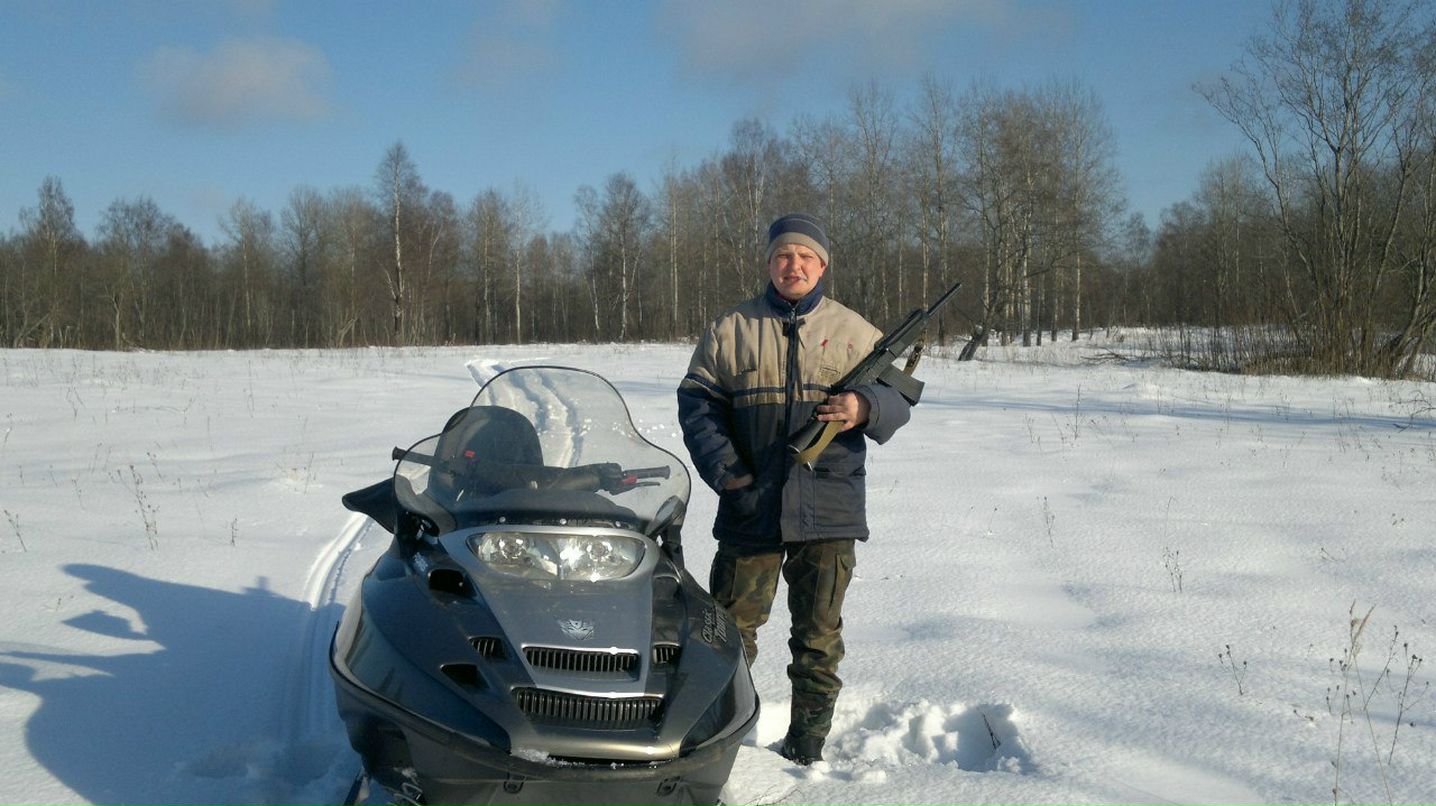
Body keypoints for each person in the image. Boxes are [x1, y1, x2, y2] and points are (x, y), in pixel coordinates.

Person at [676, 212, 911, 766]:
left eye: (806, 257)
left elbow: (901, 399)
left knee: (818, 639)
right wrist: (731, 477)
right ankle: (719, 746)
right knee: (726, 638)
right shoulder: (730, 329)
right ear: (769, 264)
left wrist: (865, 406)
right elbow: (697, 407)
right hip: (751, 506)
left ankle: (807, 747)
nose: (794, 265)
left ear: (822, 265)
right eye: (784, 256)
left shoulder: (857, 332)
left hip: (828, 511)